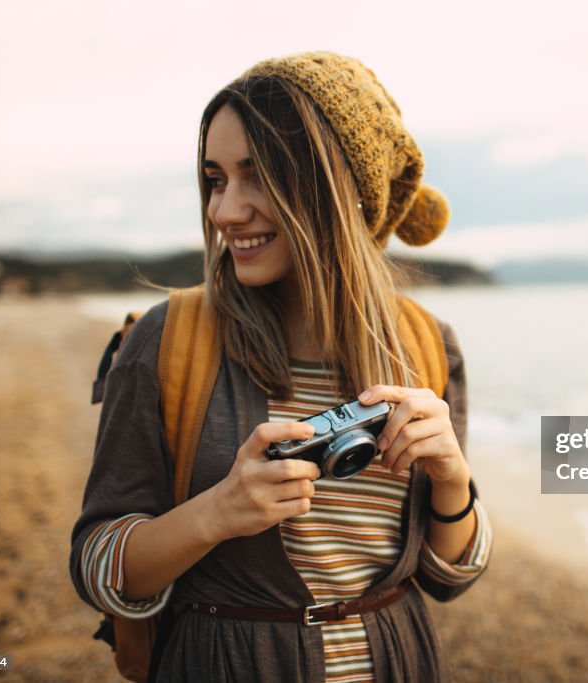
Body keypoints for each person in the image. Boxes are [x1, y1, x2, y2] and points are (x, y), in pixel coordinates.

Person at [70, 52, 492, 682]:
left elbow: (448, 578)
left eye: (257, 176)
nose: (224, 211)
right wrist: (216, 513)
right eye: (215, 180)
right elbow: (96, 567)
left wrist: (454, 484)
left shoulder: (428, 346)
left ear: (340, 186)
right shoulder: (168, 341)